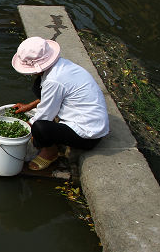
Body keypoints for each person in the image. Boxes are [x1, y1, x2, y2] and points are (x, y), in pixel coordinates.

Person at [11, 36, 109, 171]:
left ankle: (50, 153)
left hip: (88, 135)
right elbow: (52, 96)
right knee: (37, 85)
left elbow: (42, 117)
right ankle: (54, 137)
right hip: (93, 120)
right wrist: (29, 106)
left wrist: (18, 130)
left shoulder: (54, 81)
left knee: (39, 128)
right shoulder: (62, 65)